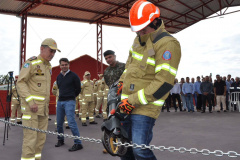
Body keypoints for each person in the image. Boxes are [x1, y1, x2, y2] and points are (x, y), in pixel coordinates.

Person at [117, 1, 181, 159]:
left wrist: (132, 100)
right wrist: (121, 82)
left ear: (155, 21)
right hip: (126, 104)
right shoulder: (138, 39)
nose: (139, 33)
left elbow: (164, 83)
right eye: (137, 30)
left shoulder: (168, 44)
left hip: (145, 107)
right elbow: (129, 65)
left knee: (139, 150)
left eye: (143, 29)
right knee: (124, 149)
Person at [17, 38, 60, 160]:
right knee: (30, 140)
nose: (52, 54)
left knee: (41, 140)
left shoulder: (48, 66)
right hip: (31, 109)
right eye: (51, 51)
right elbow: (20, 83)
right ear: (42, 49)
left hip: (43, 110)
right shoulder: (31, 63)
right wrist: (31, 101)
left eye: (54, 52)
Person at [55, 58, 83, 151]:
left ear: (69, 65)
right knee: (59, 123)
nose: (64, 66)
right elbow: (59, 88)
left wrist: (72, 96)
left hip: (69, 101)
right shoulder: (58, 77)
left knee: (71, 122)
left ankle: (78, 143)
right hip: (60, 102)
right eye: (62, 65)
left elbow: (78, 89)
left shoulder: (74, 76)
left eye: (66, 64)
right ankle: (60, 140)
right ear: (60, 65)